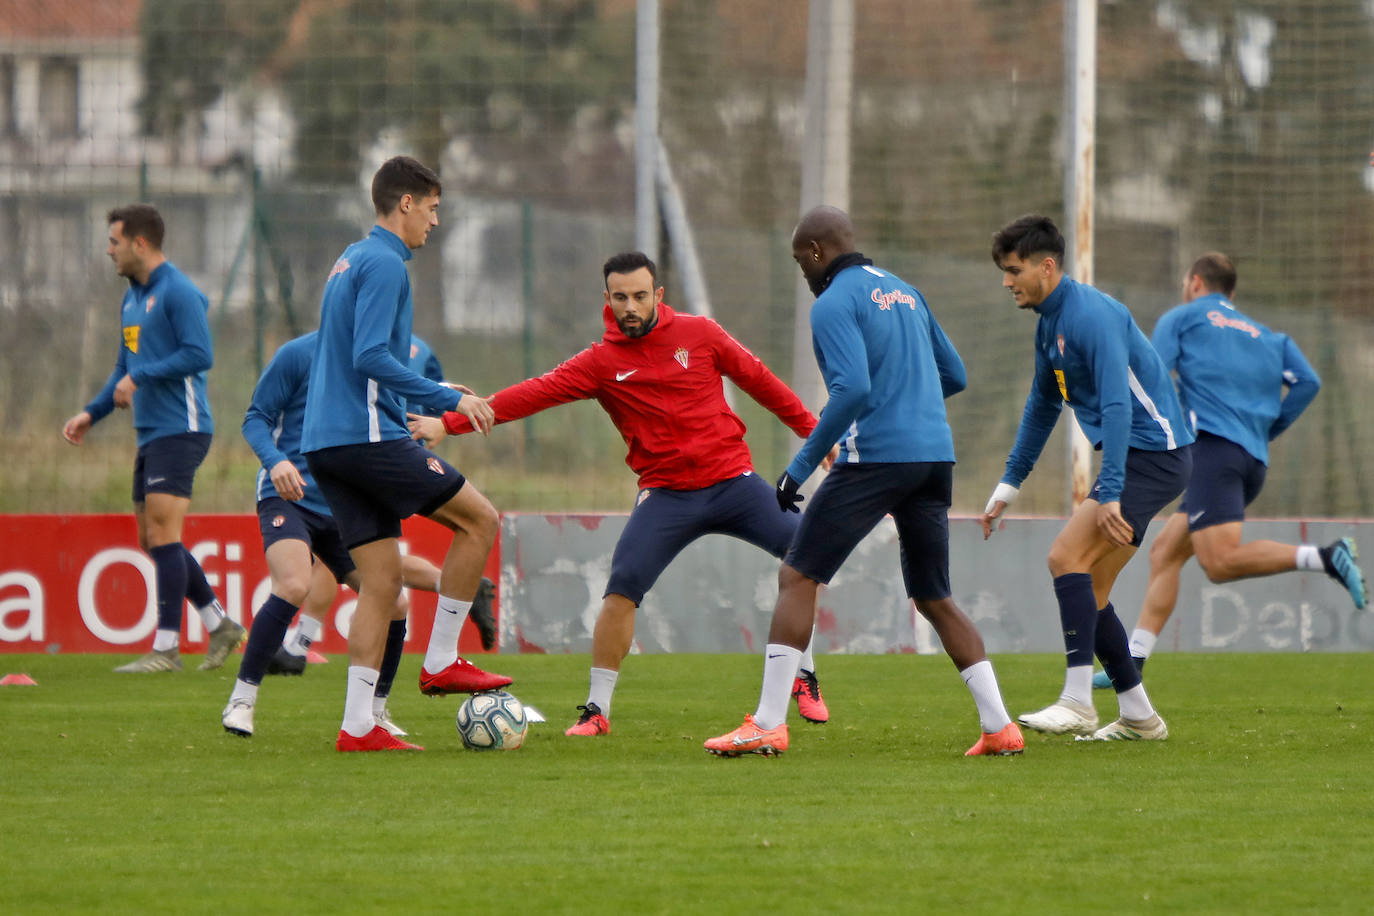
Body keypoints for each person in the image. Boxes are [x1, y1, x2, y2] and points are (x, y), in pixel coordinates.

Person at [409, 250, 836, 737]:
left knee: (807, 557)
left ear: (657, 295)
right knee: (622, 588)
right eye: (619, 297)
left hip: (733, 482)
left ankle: (803, 675)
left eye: (638, 296)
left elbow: (760, 382)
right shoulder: (600, 362)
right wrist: (449, 422)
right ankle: (596, 710)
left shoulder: (701, 334)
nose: (629, 306)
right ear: (606, 300)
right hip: (667, 496)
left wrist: (813, 432)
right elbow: (530, 394)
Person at [702, 205, 1022, 758]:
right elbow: (956, 374)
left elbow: (850, 391)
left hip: (876, 458)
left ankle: (768, 723)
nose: (803, 272)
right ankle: (1000, 728)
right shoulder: (905, 290)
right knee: (934, 595)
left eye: (801, 260)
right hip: (934, 458)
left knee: (797, 576)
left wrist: (797, 468)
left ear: (817, 253)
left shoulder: (832, 304)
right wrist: (910, 401)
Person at [300, 155, 509, 752]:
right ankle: (442, 659)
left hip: (328, 444)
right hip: (361, 439)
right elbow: (368, 358)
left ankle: (358, 726)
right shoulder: (387, 263)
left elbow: (354, 364)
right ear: (407, 203)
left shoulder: (350, 259)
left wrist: (429, 403)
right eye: (434, 209)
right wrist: (444, 395)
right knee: (480, 519)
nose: (436, 222)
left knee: (382, 583)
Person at [1088, 253, 1365, 688]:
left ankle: (1326, 556)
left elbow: (1154, 374)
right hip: (1252, 459)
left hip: (1212, 454)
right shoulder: (1269, 337)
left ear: (1195, 282)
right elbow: (1307, 381)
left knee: (1219, 563)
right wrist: (1269, 426)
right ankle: (1133, 661)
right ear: (1230, 292)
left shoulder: (1182, 318)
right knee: (1166, 553)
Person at [981, 214, 1194, 742]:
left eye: (1013, 270)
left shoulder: (1091, 316)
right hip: (1149, 458)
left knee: (1063, 558)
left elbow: (1119, 405)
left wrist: (1113, 491)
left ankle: (1078, 701)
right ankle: (1141, 717)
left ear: (1046, 267)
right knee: (1092, 586)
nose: (1007, 282)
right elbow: (1041, 406)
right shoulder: (1050, 324)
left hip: (1154, 454)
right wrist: (1009, 483)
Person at [221, 332, 498, 738]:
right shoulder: (297, 355)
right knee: (295, 583)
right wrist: (275, 461)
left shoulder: (372, 357)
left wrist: (439, 394)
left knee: (395, 602)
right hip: (290, 495)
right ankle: (241, 701)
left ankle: (376, 713)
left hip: (344, 500)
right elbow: (256, 418)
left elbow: (386, 403)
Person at [63, 203, 245, 673]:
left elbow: (199, 354)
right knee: (152, 538)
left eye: (114, 242)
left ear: (140, 243)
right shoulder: (130, 299)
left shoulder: (178, 291)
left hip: (182, 427)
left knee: (164, 533)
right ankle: (218, 622)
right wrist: (91, 413)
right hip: (151, 432)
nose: (109, 251)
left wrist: (140, 377)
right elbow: (123, 370)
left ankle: (166, 649)